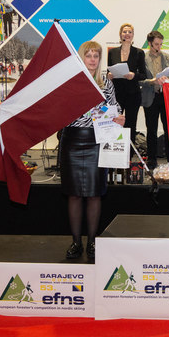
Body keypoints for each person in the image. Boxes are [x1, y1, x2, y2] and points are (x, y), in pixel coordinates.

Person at [59, 41, 125, 261]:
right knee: (74, 194)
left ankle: (92, 242)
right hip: (73, 141)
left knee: (95, 193)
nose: (93, 59)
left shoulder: (106, 82)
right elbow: (55, 108)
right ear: (82, 57)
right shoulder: (70, 81)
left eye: (96, 56)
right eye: (88, 55)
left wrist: (119, 117)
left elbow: (113, 107)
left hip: (97, 141)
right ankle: (76, 242)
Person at [140, 30, 169, 170]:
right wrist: (152, 81)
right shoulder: (142, 58)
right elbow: (139, 80)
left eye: (161, 44)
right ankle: (152, 160)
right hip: (151, 97)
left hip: (166, 96)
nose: (159, 47)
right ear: (149, 43)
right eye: (156, 44)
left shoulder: (168, 57)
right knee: (151, 130)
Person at [107, 23, 146, 143]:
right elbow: (108, 71)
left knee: (130, 125)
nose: (127, 34)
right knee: (114, 123)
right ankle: (114, 151)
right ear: (120, 34)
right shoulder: (112, 52)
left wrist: (133, 75)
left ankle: (129, 152)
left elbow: (143, 75)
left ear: (133, 35)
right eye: (124, 32)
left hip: (133, 94)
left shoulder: (139, 52)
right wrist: (109, 75)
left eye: (130, 32)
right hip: (116, 94)